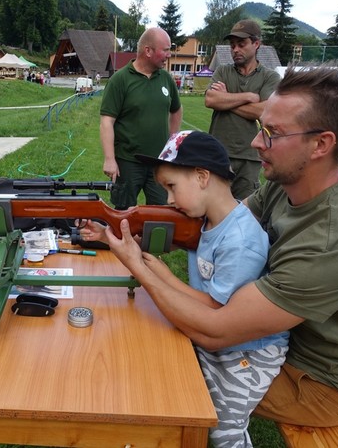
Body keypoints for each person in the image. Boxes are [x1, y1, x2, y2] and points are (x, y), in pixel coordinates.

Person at [86, 64, 338, 429]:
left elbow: (215, 330)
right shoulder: (289, 181)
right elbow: (213, 225)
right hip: (271, 339)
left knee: (160, 368)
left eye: (272, 133)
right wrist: (143, 229)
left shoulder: (336, 239)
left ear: (321, 144)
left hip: (315, 381)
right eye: (260, 128)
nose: (255, 142)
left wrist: (138, 264)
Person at [81, 130, 289, 447]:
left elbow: (216, 309)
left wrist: (159, 274)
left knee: (223, 426)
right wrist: (106, 234)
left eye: (171, 187)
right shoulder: (206, 221)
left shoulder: (240, 241)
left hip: (249, 352)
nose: (168, 200)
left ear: (202, 176)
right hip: (215, 339)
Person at [100, 27, 182, 209]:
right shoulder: (120, 80)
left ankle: (149, 239)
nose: (169, 54)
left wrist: (172, 141)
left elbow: (176, 110)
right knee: (122, 213)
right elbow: (107, 121)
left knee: (161, 212)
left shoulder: (166, 79)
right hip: (128, 162)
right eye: (166, 50)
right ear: (148, 51)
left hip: (159, 163)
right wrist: (109, 158)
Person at [205, 19, 281, 200]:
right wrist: (248, 97)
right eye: (232, 45)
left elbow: (263, 112)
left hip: (250, 157)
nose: (235, 50)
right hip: (218, 155)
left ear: (256, 44)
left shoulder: (269, 77)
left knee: (245, 213)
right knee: (212, 209)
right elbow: (210, 100)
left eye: (241, 44)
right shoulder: (223, 71)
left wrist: (227, 100)